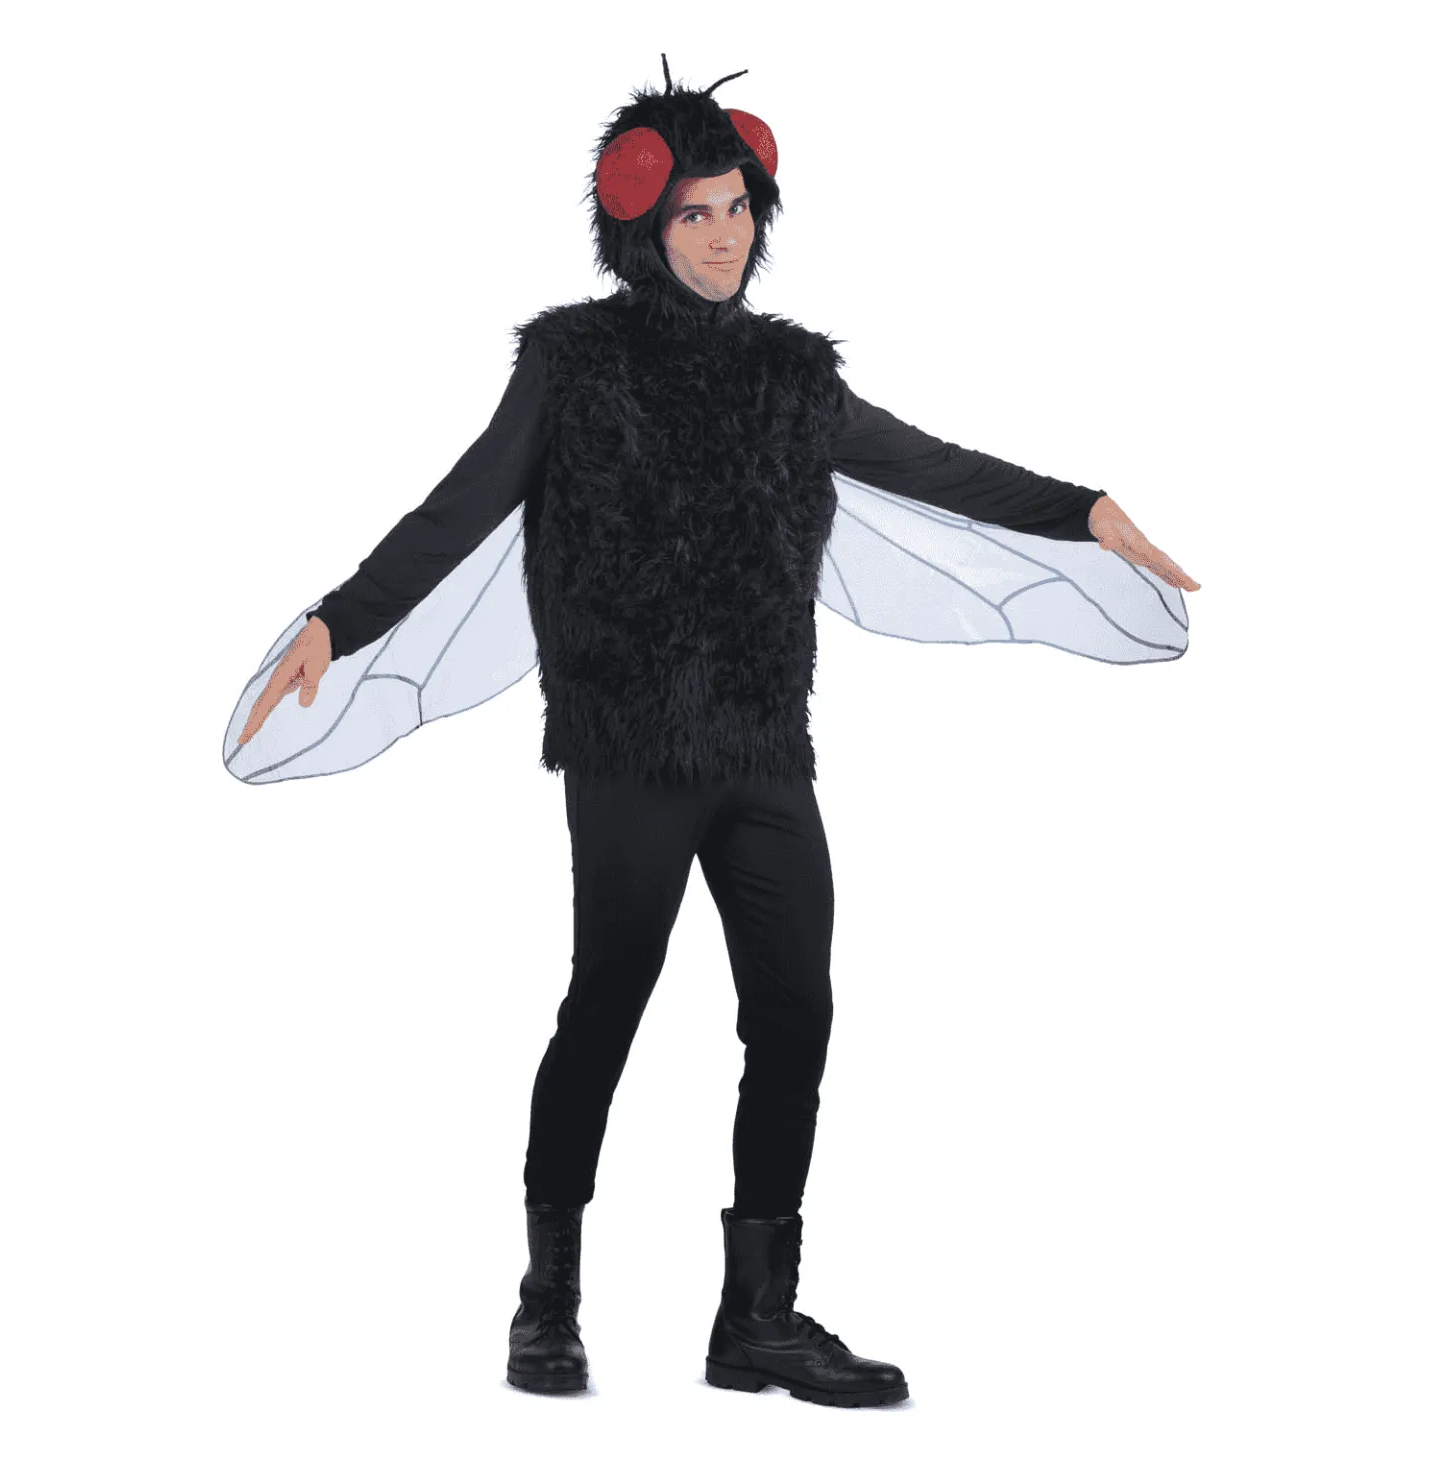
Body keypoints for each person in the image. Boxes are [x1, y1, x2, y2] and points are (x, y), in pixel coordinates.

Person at [236, 57, 1199, 1408]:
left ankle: (756, 1319)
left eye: (739, 207)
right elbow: (463, 504)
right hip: (629, 751)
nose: (723, 234)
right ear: (643, 222)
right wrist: (342, 621)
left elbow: (933, 466)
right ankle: (547, 1298)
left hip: (760, 748)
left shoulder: (792, 379)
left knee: (797, 1013)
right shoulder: (572, 364)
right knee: (607, 1004)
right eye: (694, 212)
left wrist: (1082, 509)